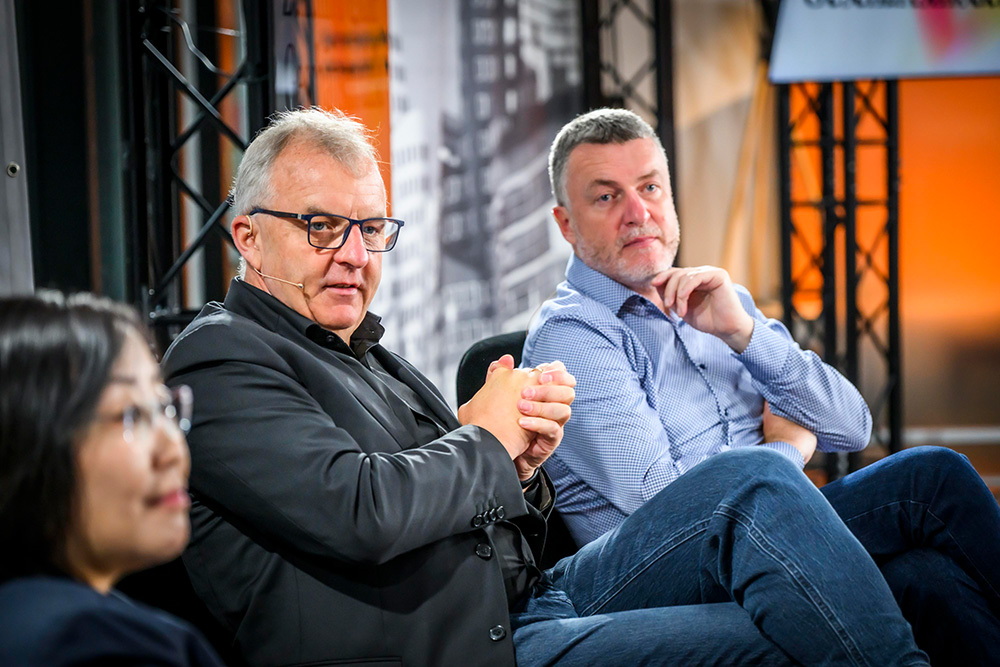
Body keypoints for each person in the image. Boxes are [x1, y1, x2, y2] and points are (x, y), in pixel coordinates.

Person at [163, 107, 933, 666]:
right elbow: (362, 512)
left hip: (534, 595)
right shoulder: (220, 360)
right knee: (785, 627)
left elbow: (468, 506)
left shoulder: (364, 350)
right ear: (248, 237)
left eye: (370, 229)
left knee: (776, 480)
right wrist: (487, 439)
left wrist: (522, 468)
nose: (355, 255)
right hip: (470, 644)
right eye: (321, 227)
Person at [523, 107, 1000, 665]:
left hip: (772, 525)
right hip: (669, 562)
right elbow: (670, 505)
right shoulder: (574, 334)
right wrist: (787, 451)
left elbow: (851, 427)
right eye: (606, 197)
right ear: (566, 224)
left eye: (650, 187)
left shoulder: (717, 300)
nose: (638, 213)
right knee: (925, 484)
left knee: (930, 557)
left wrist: (744, 334)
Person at [0, 292, 223, 667]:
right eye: (130, 414)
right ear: (27, 441)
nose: (173, 449)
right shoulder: (89, 644)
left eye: (164, 407)